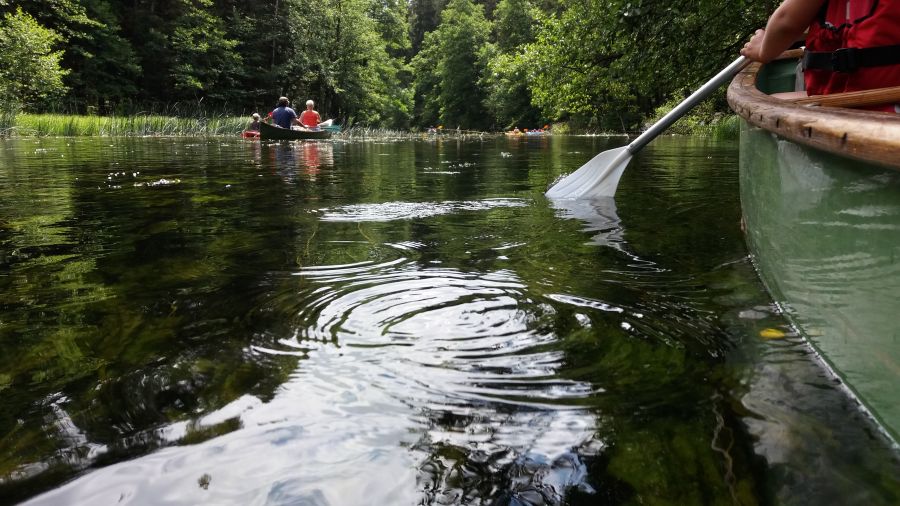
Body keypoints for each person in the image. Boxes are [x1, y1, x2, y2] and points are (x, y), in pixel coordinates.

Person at [740, 0, 900, 112]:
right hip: (887, 93)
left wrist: (762, 50)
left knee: (769, 102)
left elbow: (786, 22)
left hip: (866, 101)